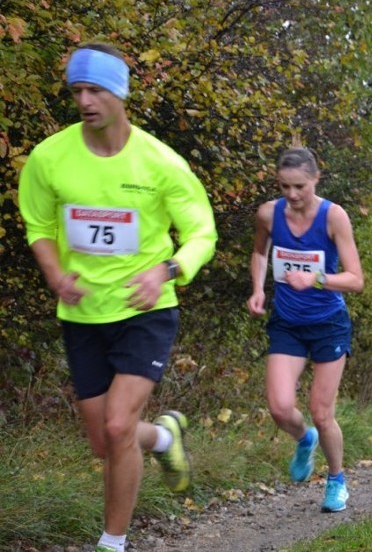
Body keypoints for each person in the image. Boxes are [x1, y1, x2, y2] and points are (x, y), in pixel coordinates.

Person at [18, 43, 217, 552]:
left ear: (120, 93)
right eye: (77, 90)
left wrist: (168, 269)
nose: (85, 100)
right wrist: (55, 272)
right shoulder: (50, 158)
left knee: (117, 423)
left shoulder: (160, 163)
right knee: (104, 440)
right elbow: (38, 224)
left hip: (145, 309)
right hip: (83, 310)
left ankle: (113, 542)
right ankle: (165, 438)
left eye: (96, 90)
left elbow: (201, 232)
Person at [246, 147, 364, 514]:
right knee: (281, 409)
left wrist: (315, 279)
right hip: (287, 322)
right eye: (285, 186)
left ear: (316, 179)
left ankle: (336, 480)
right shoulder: (269, 213)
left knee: (321, 411)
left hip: (328, 323)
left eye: (300, 186)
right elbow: (260, 253)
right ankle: (304, 439)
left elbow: (356, 279)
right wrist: (258, 288)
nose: (293, 195)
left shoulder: (334, 217)